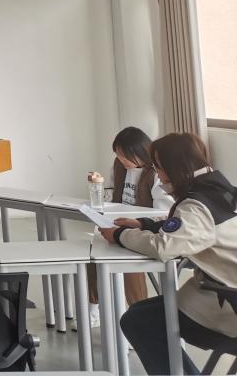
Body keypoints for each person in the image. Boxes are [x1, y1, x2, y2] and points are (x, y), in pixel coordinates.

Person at [100, 133, 237, 376]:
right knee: (138, 314)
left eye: (158, 167)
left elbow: (164, 247)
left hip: (228, 306)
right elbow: (191, 227)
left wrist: (120, 235)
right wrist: (144, 224)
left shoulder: (197, 204)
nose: (158, 174)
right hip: (224, 293)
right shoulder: (221, 190)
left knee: (138, 321)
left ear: (173, 167)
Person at [83, 126, 173, 328]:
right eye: (117, 154)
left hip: (144, 228)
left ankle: (138, 316)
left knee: (128, 261)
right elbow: (110, 196)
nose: (120, 159)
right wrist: (97, 187)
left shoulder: (155, 173)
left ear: (140, 152)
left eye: (124, 155)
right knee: (91, 253)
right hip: (117, 222)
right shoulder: (118, 166)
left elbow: (162, 213)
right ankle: (93, 306)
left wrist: (136, 222)